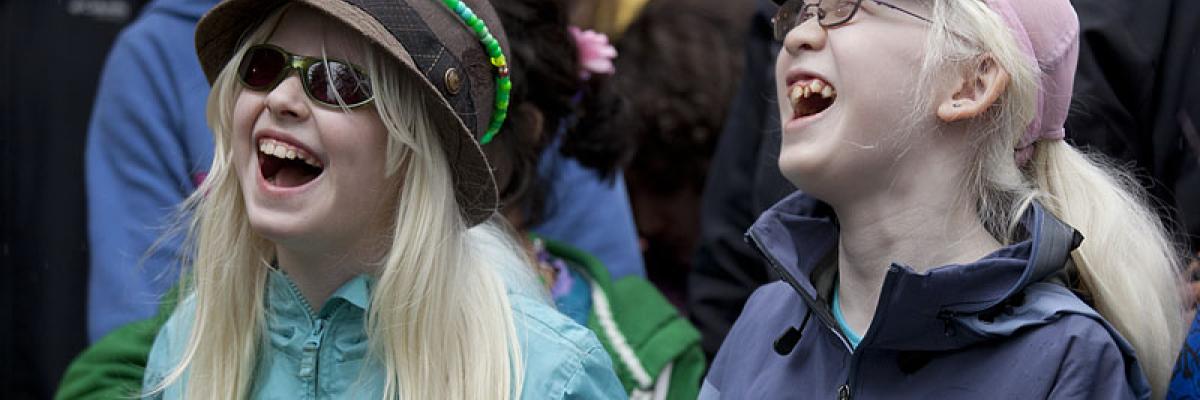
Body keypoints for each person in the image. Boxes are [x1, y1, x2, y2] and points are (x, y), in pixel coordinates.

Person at [85, 0, 645, 345]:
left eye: (341, 82)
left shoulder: (546, 367)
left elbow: (620, 316)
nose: (281, 96)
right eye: (261, 64)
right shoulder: (183, 348)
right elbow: (126, 343)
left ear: (424, 153)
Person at [701, 0, 1186, 398]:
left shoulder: (1067, 359)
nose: (797, 36)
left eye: (844, 8)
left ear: (971, 83)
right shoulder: (762, 319)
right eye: (802, 12)